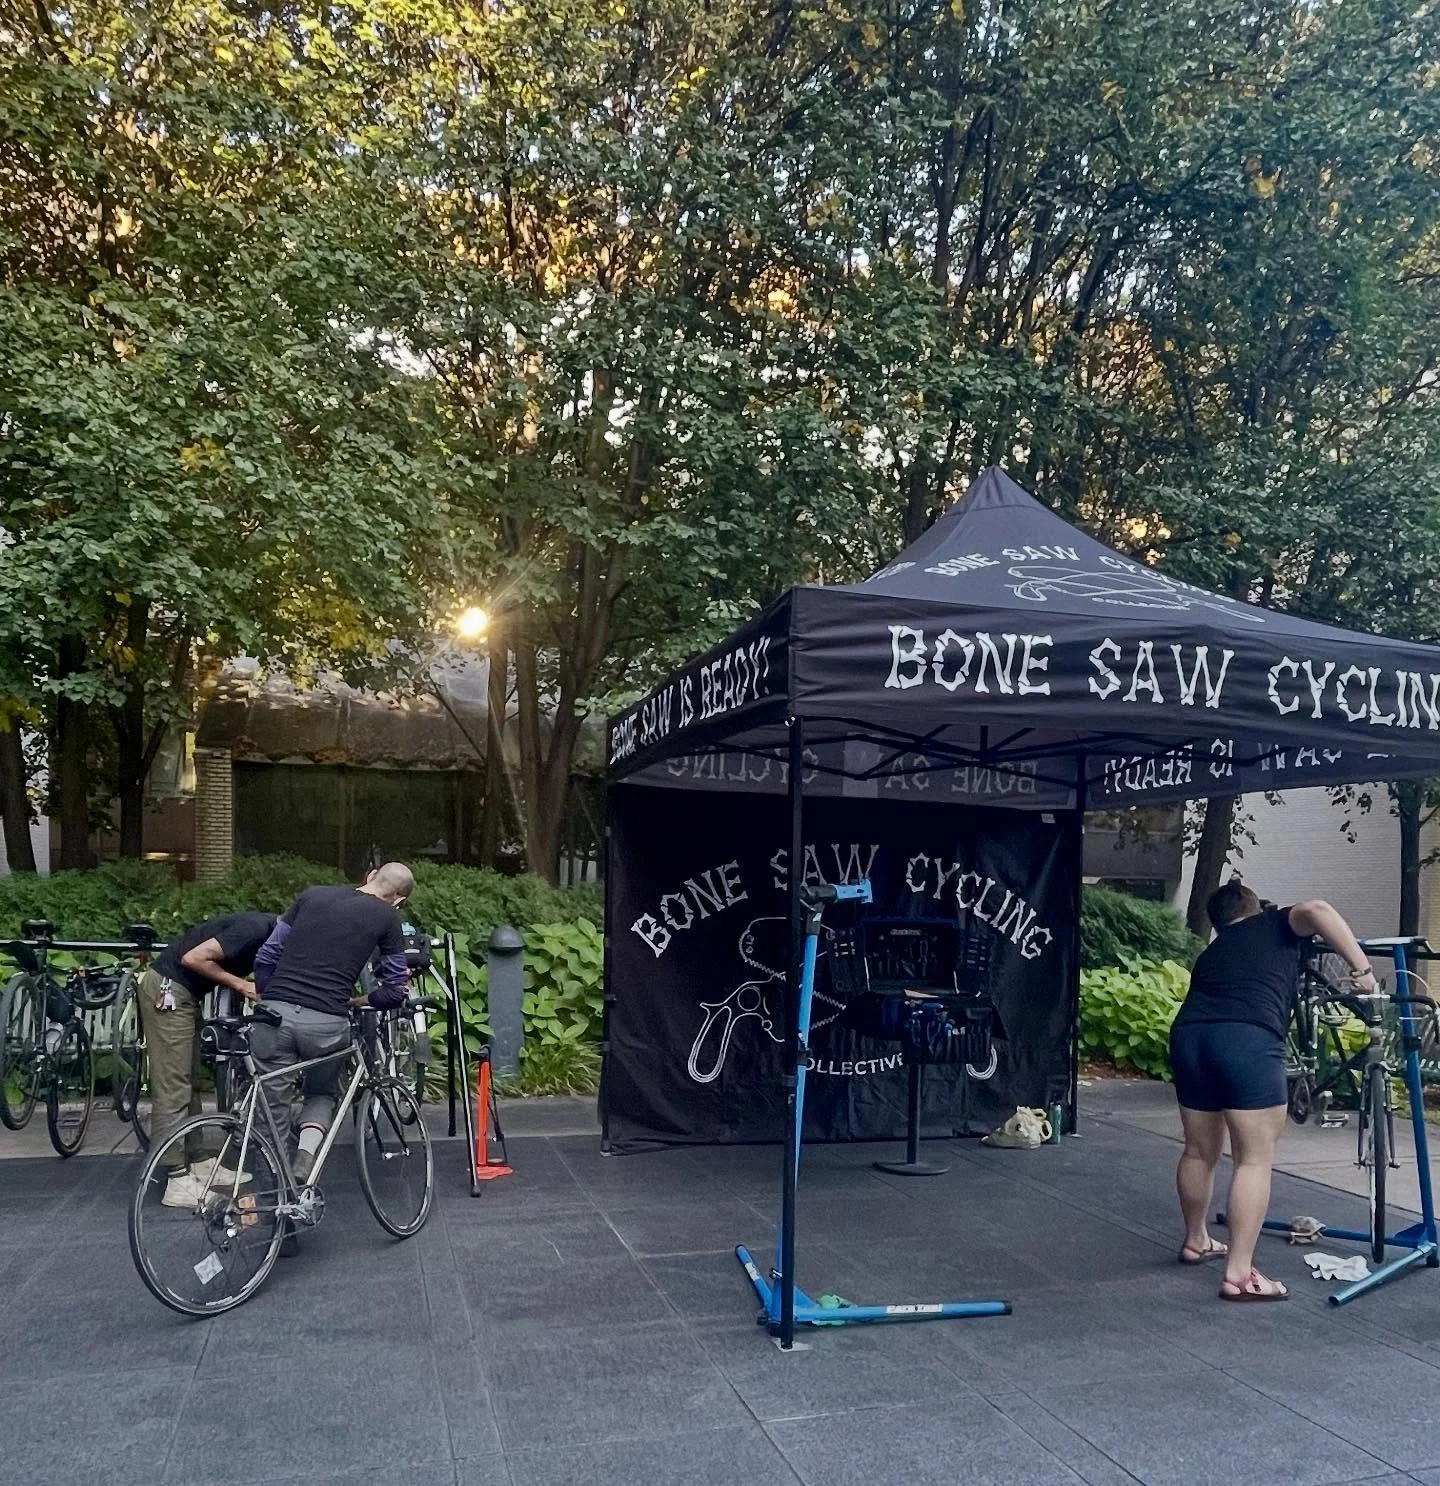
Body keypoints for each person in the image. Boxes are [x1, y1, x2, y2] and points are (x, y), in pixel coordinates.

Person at [1169, 879, 1377, 1302]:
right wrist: (1363, 971)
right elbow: (1318, 908)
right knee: (1254, 1160)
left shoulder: (1213, 953)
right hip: (1246, 1037)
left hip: (1190, 1036)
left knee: (1197, 1151)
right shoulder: (1275, 924)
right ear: (1254, 907)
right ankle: (1240, 1275)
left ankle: (1197, 1240)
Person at [251, 862, 414, 1186]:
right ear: (398, 897)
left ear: (369, 877)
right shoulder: (387, 917)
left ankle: (276, 1189)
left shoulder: (312, 897)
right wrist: (357, 1002)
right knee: (323, 1091)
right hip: (326, 1023)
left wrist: (270, 999)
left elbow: (267, 955)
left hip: (274, 1016)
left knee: (272, 1108)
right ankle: (305, 1158)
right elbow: (396, 990)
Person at [139, 910, 278, 1208]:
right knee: (173, 1085)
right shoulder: (253, 928)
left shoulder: (264, 932)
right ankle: (176, 1179)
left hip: (184, 994)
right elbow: (194, 958)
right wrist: (241, 985)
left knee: (188, 1082)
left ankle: (198, 1160)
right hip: (169, 992)